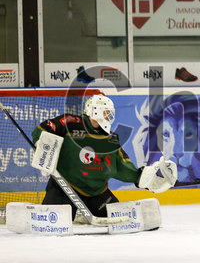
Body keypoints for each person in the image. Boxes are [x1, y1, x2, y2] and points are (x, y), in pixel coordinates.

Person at [30, 94, 176, 222]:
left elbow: (121, 166)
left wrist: (144, 178)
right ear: (95, 111)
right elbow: (43, 129)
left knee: (119, 219)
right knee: (54, 223)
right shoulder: (69, 122)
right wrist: (42, 144)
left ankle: (83, 215)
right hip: (64, 188)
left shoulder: (111, 138)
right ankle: (78, 213)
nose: (109, 117)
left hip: (97, 193)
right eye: (106, 113)